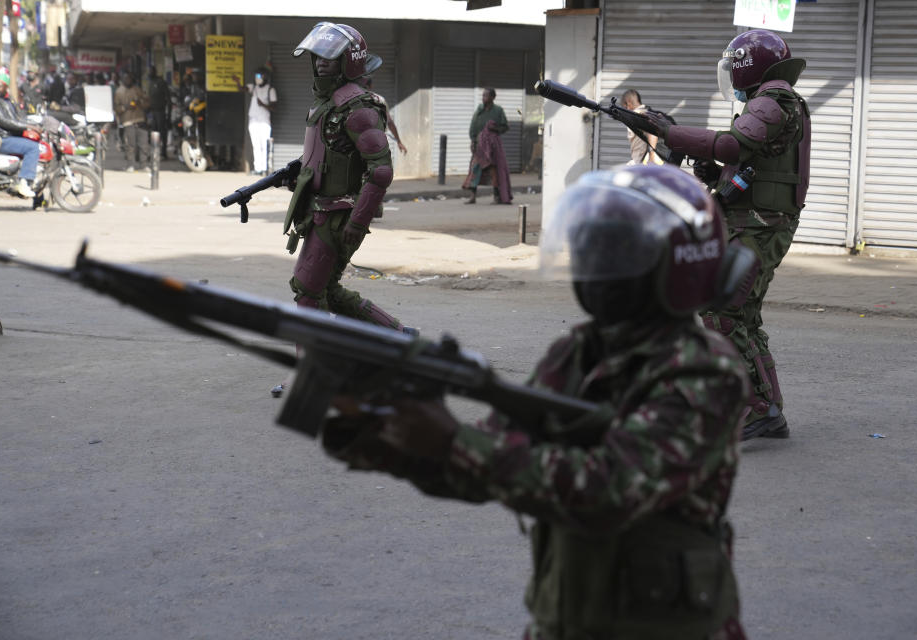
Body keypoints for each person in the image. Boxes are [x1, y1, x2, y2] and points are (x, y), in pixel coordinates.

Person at [321, 164, 755, 640]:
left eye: (615, 254)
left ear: (677, 266)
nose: (594, 266)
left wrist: (451, 442)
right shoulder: (577, 352)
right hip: (568, 620)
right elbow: (493, 456)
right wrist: (392, 440)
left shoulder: (705, 372)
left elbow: (608, 489)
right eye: (590, 250)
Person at [643, 29, 810, 441]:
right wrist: (715, 174)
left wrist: (670, 133)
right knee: (743, 314)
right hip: (757, 219)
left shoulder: (774, 101)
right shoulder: (771, 101)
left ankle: (757, 409)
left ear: (745, 67)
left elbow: (734, 146)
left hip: (761, 223)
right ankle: (769, 410)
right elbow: (751, 162)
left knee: (722, 311)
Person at [276, 22, 415, 397]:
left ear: (348, 62)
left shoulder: (358, 108)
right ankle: (399, 337)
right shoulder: (328, 103)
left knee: (307, 291)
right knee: (327, 291)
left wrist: (357, 221)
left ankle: (312, 372)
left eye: (330, 58)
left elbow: (381, 171)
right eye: (318, 57)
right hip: (321, 210)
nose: (321, 63)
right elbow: (329, 156)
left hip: (339, 215)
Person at [0, 67, 40, 197]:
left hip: (9, 133)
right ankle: (24, 181)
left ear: (6, 86)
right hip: (2, 135)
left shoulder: (8, 99)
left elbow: (17, 116)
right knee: (32, 148)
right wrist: (28, 127)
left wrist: (32, 123)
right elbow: (3, 121)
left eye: (0, 86)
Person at [463, 87, 511, 205]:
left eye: (486, 96)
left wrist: (496, 129)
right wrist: (473, 141)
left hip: (493, 146)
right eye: (483, 95)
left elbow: (505, 126)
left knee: (494, 171)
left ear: (493, 97)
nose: (484, 98)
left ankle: (496, 196)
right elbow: (473, 126)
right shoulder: (479, 110)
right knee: (474, 169)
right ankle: (472, 196)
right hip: (480, 146)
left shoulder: (498, 111)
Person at [232, 66, 278, 175]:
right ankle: (258, 169)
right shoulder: (254, 88)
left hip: (264, 121)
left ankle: (265, 169)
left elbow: (274, 107)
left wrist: (263, 105)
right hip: (253, 120)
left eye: (259, 76)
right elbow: (242, 89)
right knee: (256, 145)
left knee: (264, 144)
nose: (257, 78)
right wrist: (237, 82)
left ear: (265, 77)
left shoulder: (270, 90)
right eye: (256, 76)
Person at [359, 73, 407, 155]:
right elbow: (389, 122)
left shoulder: (352, 101)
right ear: (370, 86)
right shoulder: (379, 99)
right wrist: (399, 141)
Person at [113, 72, 150, 172]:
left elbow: (147, 102)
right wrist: (125, 107)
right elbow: (116, 108)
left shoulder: (137, 90)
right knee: (130, 144)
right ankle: (130, 165)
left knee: (143, 143)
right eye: (126, 78)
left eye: (130, 78)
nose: (128, 80)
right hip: (127, 121)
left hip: (140, 119)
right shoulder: (119, 92)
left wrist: (140, 103)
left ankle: (143, 165)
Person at [621, 89, 660, 165]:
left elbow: (652, 131)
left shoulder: (638, 115)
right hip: (640, 160)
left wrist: (651, 157)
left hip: (642, 162)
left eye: (623, 106)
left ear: (628, 104)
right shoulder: (643, 112)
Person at [147, 66, 171, 160]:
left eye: (151, 71)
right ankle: (155, 151)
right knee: (153, 132)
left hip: (161, 111)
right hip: (153, 112)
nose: (149, 73)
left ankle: (164, 152)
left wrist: (168, 114)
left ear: (155, 72)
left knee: (162, 132)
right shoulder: (151, 83)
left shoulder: (161, 82)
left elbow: (168, 98)